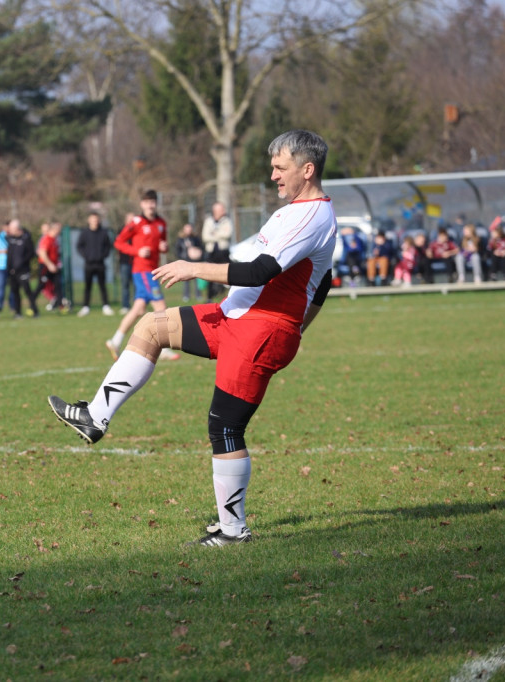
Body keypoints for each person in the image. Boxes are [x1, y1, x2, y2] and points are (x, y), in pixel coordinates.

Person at [48, 130, 337, 548]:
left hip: (260, 329)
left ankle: (233, 531)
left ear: (307, 170)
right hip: (233, 317)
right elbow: (323, 281)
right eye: (272, 166)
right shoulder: (295, 211)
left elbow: (261, 272)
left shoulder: (312, 215)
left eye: (280, 167)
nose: (273, 175)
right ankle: (96, 416)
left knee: (225, 427)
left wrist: (194, 268)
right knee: (151, 327)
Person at [105, 190, 179, 362]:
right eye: (147, 202)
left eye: (152, 201)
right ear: (142, 204)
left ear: (156, 203)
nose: (150, 205)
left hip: (153, 270)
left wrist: (164, 248)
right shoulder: (136, 222)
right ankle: (164, 348)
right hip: (142, 270)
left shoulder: (161, 223)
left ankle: (115, 341)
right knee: (160, 307)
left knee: (138, 309)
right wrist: (137, 251)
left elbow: (163, 244)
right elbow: (119, 242)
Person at [76, 210, 113, 317]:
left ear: (99, 220)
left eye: (96, 219)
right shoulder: (84, 233)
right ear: (89, 220)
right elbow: (79, 246)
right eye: (92, 219)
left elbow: (108, 246)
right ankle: (85, 307)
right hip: (89, 264)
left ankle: (106, 306)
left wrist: (103, 255)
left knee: (102, 286)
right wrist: (86, 256)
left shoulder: (103, 232)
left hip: (100, 263)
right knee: (88, 286)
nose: (94, 221)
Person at [5, 219, 39, 318]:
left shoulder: (26, 238)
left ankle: (35, 310)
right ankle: (18, 312)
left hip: (23, 270)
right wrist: (9, 267)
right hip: (12, 271)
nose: (10, 231)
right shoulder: (11, 239)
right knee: (15, 292)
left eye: (12, 229)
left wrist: (22, 263)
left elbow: (31, 253)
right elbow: (10, 255)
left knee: (27, 291)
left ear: (17, 229)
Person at [200, 202, 234, 301]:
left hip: (223, 253)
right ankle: (209, 297)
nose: (223, 211)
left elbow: (227, 234)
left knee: (228, 273)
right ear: (215, 211)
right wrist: (219, 235)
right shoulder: (208, 221)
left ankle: (230, 296)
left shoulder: (227, 221)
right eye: (221, 209)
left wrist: (214, 234)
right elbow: (205, 237)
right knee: (210, 274)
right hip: (211, 253)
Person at [33, 222, 63, 311]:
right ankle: (32, 304)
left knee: (58, 285)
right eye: (59, 230)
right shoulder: (46, 239)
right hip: (46, 266)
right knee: (41, 286)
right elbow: (42, 253)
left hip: (54, 266)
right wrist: (50, 265)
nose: (59, 232)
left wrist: (56, 264)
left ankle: (61, 306)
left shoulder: (55, 240)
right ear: (54, 229)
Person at [175, 223, 204, 302]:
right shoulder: (180, 239)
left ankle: (198, 295)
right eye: (187, 229)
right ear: (184, 230)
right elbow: (177, 251)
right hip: (185, 262)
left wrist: (197, 253)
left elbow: (201, 248)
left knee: (196, 279)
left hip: (195, 262)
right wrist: (182, 257)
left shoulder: (195, 239)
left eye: (190, 229)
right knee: (186, 280)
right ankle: (186, 296)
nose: (188, 231)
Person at [117, 212, 135, 313]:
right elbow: (119, 245)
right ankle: (125, 305)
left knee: (137, 285)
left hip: (136, 262)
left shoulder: (138, 230)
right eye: (130, 219)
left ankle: (137, 306)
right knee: (125, 284)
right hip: (124, 262)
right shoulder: (121, 230)